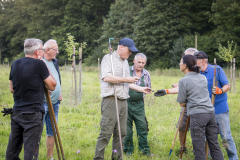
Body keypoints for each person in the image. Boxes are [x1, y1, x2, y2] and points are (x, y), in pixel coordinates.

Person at [93, 38, 151, 160]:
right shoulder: (107, 59)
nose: (130, 54)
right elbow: (107, 78)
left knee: (121, 133)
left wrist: (141, 89)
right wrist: (127, 79)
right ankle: (98, 157)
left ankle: (117, 157)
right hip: (111, 99)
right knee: (106, 132)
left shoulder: (125, 62)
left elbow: (126, 83)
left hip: (124, 100)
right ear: (121, 47)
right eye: (129, 51)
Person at [6, 38, 56, 160]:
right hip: (33, 114)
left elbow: (12, 88)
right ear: (37, 52)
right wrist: (44, 65)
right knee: (30, 154)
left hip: (17, 112)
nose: (43, 52)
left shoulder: (15, 63)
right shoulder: (39, 64)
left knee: (11, 153)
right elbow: (52, 86)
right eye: (42, 49)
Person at [177, 55, 224, 160]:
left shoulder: (183, 81)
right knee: (215, 145)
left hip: (198, 116)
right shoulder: (202, 77)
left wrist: (190, 100)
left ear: (185, 65)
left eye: (180, 62)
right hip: (210, 113)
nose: (179, 64)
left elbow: (182, 103)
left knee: (199, 149)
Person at [193, 51, 239, 160]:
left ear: (203, 61)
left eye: (195, 60)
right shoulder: (196, 73)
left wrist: (220, 90)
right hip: (204, 111)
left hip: (219, 109)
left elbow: (227, 85)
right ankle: (206, 157)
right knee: (204, 139)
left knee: (226, 138)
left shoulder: (217, 70)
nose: (194, 63)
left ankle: (233, 158)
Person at [155, 48, 198, 153]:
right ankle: (183, 148)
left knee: (197, 130)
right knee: (182, 127)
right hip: (186, 106)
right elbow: (186, 84)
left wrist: (167, 91)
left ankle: (199, 150)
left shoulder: (199, 72)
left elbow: (186, 88)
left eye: (184, 59)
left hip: (197, 106)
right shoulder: (187, 74)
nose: (181, 61)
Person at [123, 53, 151, 156]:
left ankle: (145, 151)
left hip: (139, 105)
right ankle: (128, 151)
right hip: (126, 103)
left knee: (142, 128)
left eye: (143, 63)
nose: (141, 64)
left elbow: (147, 88)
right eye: (139, 62)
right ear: (134, 61)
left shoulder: (146, 74)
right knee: (127, 129)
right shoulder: (126, 71)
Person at [43, 39, 62, 159]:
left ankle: (50, 157)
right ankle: (31, 155)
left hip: (55, 102)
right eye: (55, 49)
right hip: (42, 102)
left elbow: (57, 77)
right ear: (47, 50)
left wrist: (60, 91)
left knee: (52, 131)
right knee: (35, 130)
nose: (57, 52)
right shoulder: (39, 62)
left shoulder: (54, 62)